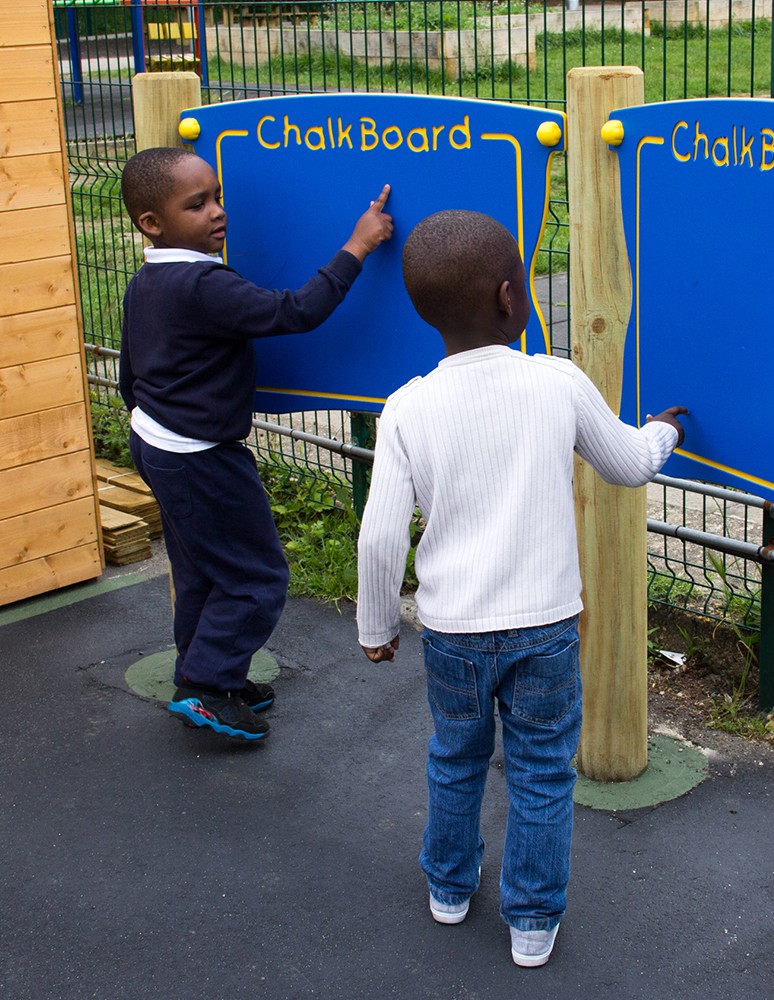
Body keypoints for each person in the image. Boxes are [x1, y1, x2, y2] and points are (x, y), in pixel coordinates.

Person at [355, 209, 687, 968]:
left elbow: (379, 535)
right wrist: (665, 429)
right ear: (513, 298)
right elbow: (630, 464)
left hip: (451, 630)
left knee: (455, 755)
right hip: (544, 627)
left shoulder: (405, 407)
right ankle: (532, 923)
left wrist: (378, 627)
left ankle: (447, 888)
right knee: (540, 769)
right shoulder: (556, 382)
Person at [118, 146, 393, 743]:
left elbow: (129, 369)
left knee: (200, 572)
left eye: (218, 197)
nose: (217, 212)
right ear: (152, 222)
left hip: (158, 442)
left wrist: (151, 419)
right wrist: (359, 246)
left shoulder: (149, 280)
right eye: (198, 205)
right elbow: (295, 313)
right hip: (200, 456)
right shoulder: (200, 284)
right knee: (257, 576)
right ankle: (207, 687)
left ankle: (208, 676)